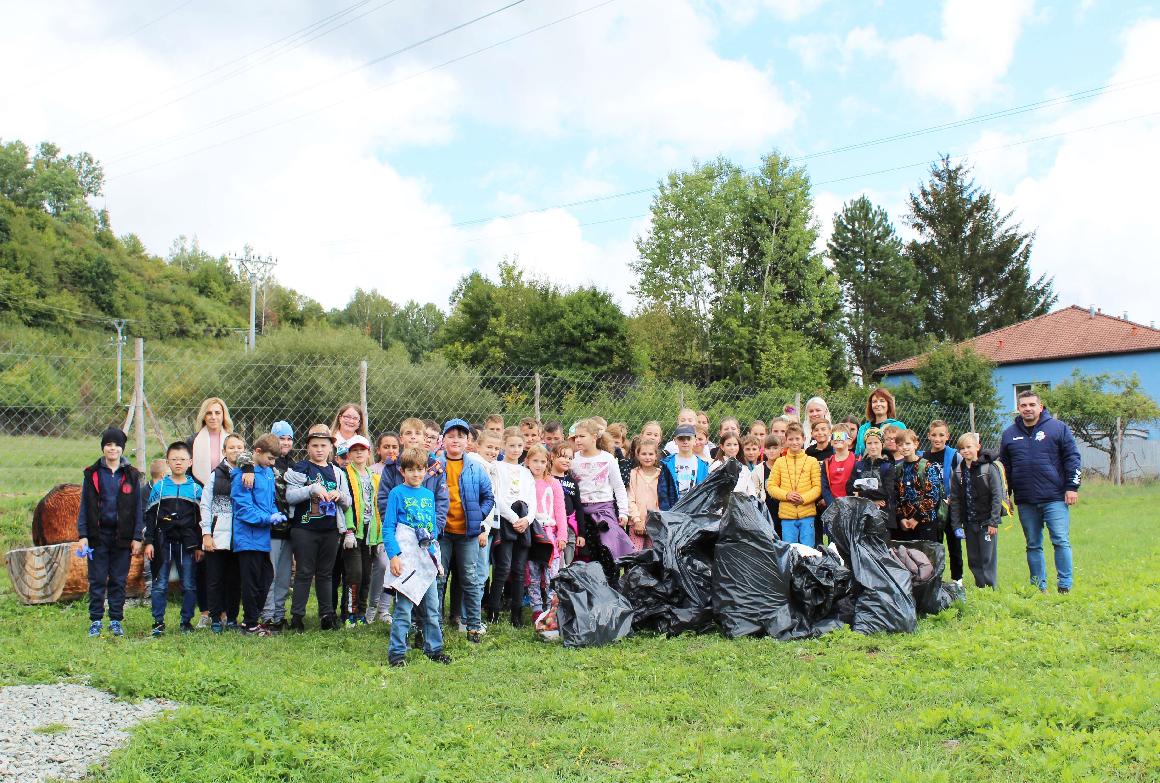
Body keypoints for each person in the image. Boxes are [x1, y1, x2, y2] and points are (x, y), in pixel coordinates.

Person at [999, 390, 1081, 594]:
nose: (1028, 408)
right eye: (1023, 405)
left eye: (1032, 405)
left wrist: (1072, 487)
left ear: (1040, 407)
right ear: (1018, 408)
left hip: (1055, 497)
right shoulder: (1009, 434)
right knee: (1033, 545)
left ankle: (1065, 586)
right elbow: (1004, 468)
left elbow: (1072, 457)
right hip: (1026, 499)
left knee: (1060, 541)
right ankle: (1038, 587)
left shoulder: (1057, 428)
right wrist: (1005, 496)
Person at [383, 447, 452, 667]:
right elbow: (389, 528)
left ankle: (435, 648)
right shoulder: (396, 494)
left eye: (420, 469)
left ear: (426, 471)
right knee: (403, 608)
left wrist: (435, 558)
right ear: (402, 471)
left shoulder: (428, 495)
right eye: (411, 470)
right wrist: (394, 556)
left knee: (432, 607)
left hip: (425, 560)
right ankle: (397, 653)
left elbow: (431, 530)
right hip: (406, 559)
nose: (416, 474)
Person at [379, 418, 451, 623]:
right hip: (401, 537)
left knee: (428, 579)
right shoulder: (393, 467)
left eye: (417, 434)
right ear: (401, 439)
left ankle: (425, 627)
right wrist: (396, 531)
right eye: (408, 434)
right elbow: (384, 499)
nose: (413, 438)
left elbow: (441, 501)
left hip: (427, 537)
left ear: (424, 438)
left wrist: (433, 531)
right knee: (403, 577)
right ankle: (405, 625)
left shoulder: (435, 467)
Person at [76, 427, 144, 638]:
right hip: (98, 537)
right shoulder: (92, 474)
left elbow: (137, 508)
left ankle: (116, 619)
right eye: (108, 444)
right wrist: (83, 535)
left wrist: (136, 536)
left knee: (118, 579)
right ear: (103, 447)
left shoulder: (131, 475)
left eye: (116, 445)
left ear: (122, 448)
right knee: (97, 579)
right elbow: (84, 506)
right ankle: (96, 619)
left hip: (122, 537)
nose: (112, 448)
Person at [284, 424, 352, 632]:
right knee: (304, 572)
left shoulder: (337, 472)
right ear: (307, 447)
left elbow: (348, 501)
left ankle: (327, 615)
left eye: (323, 445)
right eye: (314, 445)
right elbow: (290, 496)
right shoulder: (300, 468)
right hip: (304, 528)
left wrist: (339, 496)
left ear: (331, 448)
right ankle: (297, 617)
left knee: (326, 573)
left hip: (330, 529)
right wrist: (311, 489)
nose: (319, 450)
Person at [435, 418, 494, 643]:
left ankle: (473, 626)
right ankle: (435, 625)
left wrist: (478, 516)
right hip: (442, 535)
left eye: (461, 436)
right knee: (439, 580)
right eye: (451, 436)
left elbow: (488, 496)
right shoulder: (435, 466)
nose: (456, 440)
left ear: (468, 440)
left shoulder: (476, 468)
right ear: (443, 440)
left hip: (468, 534)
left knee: (470, 580)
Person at [144, 442, 204, 636]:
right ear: (168, 461)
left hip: (188, 543)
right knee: (160, 583)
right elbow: (150, 517)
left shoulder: (196, 490)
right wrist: (149, 542)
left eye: (183, 459)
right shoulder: (160, 488)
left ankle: (186, 622)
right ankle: (158, 622)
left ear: (190, 462)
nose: (178, 463)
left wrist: (199, 546)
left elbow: (201, 520)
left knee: (188, 583)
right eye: (174, 459)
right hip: (163, 542)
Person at [230, 433, 283, 636]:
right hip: (247, 537)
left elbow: (267, 502)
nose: (272, 463)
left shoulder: (267, 473)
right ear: (258, 452)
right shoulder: (243, 475)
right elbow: (243, 508)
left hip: (262, 537)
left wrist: (274, 514)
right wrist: (267, 518)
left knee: (266, 577)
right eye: (269, 458)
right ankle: (250, 624)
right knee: (251, 582)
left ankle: (251, 620)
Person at [187, 397, 233, 629]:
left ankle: (224, 611)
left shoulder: (232, 441)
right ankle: (205, 610)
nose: (214, 417)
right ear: (203, 416)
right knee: (203, 560)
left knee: (225, 561)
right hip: (199, 506)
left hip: (227, 510)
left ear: (224, 415)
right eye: (209, 413)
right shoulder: (193, 442)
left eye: (218, 412)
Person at [572, 419, 633, 583]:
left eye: (582, 436)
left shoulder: (608, 459)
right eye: (576, 437)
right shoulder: (573, 459)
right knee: (588, 553)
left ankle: (612, 588)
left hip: (604, 511)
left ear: (594, 437)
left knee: (607, 550)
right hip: (581, 513)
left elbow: (619, 487)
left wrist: (624, 512)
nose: (578, 440)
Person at [489, 430, 536, 627]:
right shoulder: (496, 467)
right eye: (511, 445)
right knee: (503, 567)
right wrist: (513, 517)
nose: (515, 449)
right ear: (503, 446)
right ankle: (493, 611)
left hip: (523, 523)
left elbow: (532, 499)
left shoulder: (526, 472)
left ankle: (517, 615)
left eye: (519, 445)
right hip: (506, 521)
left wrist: (527, 519)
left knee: (519, 568)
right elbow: (495, 495)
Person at [199, 432, 245, 633]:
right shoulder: (215, 475)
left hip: (240, 537)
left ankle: (233, 617)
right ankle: (216, 617)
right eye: (231, 447)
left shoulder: (248, 472)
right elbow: (205, 505)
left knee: (235, 580)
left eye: (239, 447)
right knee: (215, 579)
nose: (236, 451)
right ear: (224, 451)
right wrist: (206, 533)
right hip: (218, 536)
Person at [949, 433, 1003, 589]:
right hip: (968, 522)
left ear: (977, 447)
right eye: (961, 449)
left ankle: (990, 587)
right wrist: (956, 525)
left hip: (986, 522)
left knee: (987, 557)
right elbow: (956, 500)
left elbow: (996, 496)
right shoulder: (958, 471)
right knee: (973, 557)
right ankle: (981, 586)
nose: (965, 451)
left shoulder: (989, 468)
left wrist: (994, 521)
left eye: (968, 447)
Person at [257, 420, 295, 633]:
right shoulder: (264, 465)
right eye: (282, 438)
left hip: (289, 529)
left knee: (283, 575)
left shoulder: (294, 465)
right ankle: (268, 615)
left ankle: (279, 615)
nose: (286, 442)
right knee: (269, 573)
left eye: (289, 438)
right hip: (270, 528)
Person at [341, 435, 381, 627]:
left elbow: (377, 508)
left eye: (362, 449)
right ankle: (350, 612)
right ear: (349, 454)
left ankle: (361, 613)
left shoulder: (374, 478)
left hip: (370, 532)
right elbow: (347, 504)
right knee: (354, 573)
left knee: (367, 574)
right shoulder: (345, 475)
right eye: (354, 450)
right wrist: (349, 529)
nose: (358, 453)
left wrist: (379, 538)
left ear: (368, 452)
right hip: (353, 532)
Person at [525, 444, 566, 622]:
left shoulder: (553, 483)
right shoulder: (525, 481)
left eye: (542, 461)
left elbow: (560, 511)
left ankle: (551, 608)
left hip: (550, 535)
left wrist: (562, 535)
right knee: (533, 574)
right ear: (527, 461)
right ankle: (535, 607)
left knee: (552, 574)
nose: (539, 465)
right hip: (532, 533)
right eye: (535, 461)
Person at [767, 422, 822, 547]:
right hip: (787, 516)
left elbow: (817, 487)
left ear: (804, 439)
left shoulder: (812, 461)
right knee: (790, 549)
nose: (794, 442)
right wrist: (786, 495)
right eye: (791, 439)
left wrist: (804, 498)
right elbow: (771, 486)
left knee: (808, 549)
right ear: (786, 441)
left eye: (797, 439)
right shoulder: (780, 462)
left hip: (807, 514)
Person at [888, 429, 945, 543]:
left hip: (925, 523)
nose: (904, 447)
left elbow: (933, 496)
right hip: (905, 525)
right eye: (900, 445)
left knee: (927, 559)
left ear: (915, 444)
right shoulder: (898, 469)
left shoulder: (927, 466)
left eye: (908, 443)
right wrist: (901, 518)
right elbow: (895, 496)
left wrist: (916, 518)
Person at [926, 420, 963, 584]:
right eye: (934, 435)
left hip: (950, 507)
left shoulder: (955, 456)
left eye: (941, 435)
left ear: (947, 436)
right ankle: (935, 578)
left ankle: (957, 579)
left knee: (954, 544)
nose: (937, 439)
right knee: (934, 545)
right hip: (932, 508)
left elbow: (963, 479)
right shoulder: (923, 457)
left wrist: (954, 497)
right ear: (928, 436)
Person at [626, 438, 675, 550]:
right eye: (643, 454)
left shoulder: (662, 474)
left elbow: (663, 500)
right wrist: (637, 520)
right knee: (635, 553)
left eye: (651, 454)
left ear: (656, 456)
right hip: (636, 523)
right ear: (637, 455)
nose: (647, 457)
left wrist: (655, 521)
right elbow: (630, 499)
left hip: (656, 523)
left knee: (653, 555)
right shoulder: (633, 474)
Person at [550, 442, 585, 566]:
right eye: (563, 456)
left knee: (567, 565)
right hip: (551, 527)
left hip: (569, 529)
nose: (567, 460)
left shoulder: (572, 482)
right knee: (554, 564)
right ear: (552, 456)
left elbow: (579, 508)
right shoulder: (546, 478)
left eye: (570, 458)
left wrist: (581, 533)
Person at [846, 428, 894, 513]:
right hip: (862, 512)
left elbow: (887, 491)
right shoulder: (858, 465)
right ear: (865, 445)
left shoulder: (888, 466)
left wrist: (861, 494)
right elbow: (849, 488)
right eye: (869, 443)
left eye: (876, 443)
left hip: (884, 514)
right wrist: (872, 501)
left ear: (882, 444)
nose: (873, 446)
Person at [661, 423, 710, 502]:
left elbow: (705, 492)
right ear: (675, 440)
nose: (685, 441)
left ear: (694, 439)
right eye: (681, 438)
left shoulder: (702, 465)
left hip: (694, 510)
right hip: (672, 510)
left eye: (688, 438)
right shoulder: (667, 463)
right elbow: (663, 492)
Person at [855, 388, 905, 456]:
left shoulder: (899, 426)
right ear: (871, 406)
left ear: (888, 404)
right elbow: (857, 454)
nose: (878, 404)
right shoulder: (863, 429)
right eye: (874, 401)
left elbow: (905, 450)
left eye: (882, 401)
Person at [820, 429, 856, 512]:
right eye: (835, 437)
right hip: (833, 508)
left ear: (849, 441)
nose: (838, 439)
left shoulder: (857, 460)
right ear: (831, 442)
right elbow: (825, 487)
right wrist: (832, 504)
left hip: (853, 507)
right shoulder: (827, 463)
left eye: (842, 436)